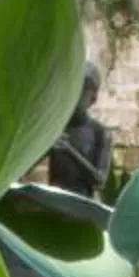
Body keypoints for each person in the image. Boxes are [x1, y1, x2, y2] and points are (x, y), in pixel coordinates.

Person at [47, 60, 114, 199]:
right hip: (55, 204)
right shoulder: (57, 128)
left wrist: (69, 151)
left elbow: (99, 181)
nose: (75, 99)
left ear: (92, 98)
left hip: (82, 205)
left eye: (81, 93)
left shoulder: (100, 132)